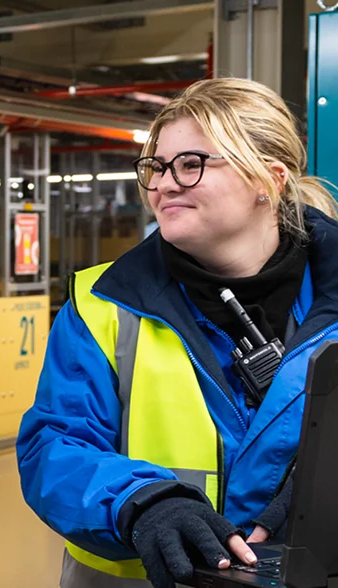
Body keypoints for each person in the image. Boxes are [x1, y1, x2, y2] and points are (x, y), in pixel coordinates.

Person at [17, 77, 338, 588]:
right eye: (156, 167)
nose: (164, 184)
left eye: (191, 165)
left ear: (270, 180)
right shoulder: (104, 303)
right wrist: (143, 502)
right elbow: (55, 446)